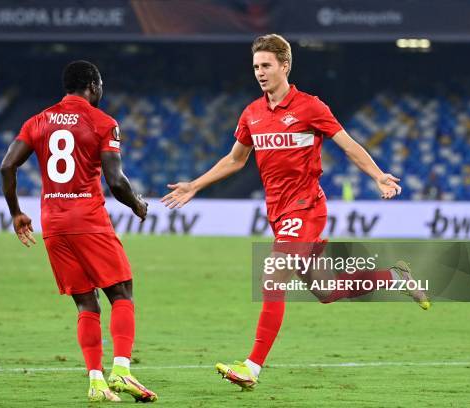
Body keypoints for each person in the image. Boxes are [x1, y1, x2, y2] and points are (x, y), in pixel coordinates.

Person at [161, 34, 429, 391]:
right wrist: (195, 185)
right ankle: (394, 277)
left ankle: (251, 367)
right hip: (279, 214)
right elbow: (235, 160)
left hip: (306, 209)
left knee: (272, 278)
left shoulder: (310, 107)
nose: (259, 72)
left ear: (284, 66)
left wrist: (378, 175)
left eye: (266, 65)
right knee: (327, 291)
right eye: (256, 66)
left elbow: (348, 144)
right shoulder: (252, 113)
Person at [0, 60, 157, 403]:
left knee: (86, 301)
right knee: (121, 292)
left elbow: (7, 165)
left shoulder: (38, 121)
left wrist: (16, 213)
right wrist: (138, 205)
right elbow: (116, 181)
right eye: (100, 86)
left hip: (53, 223)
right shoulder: (102, 122)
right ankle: (122, 371)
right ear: (93, 85)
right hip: (87, 219)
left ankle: (96, 381)